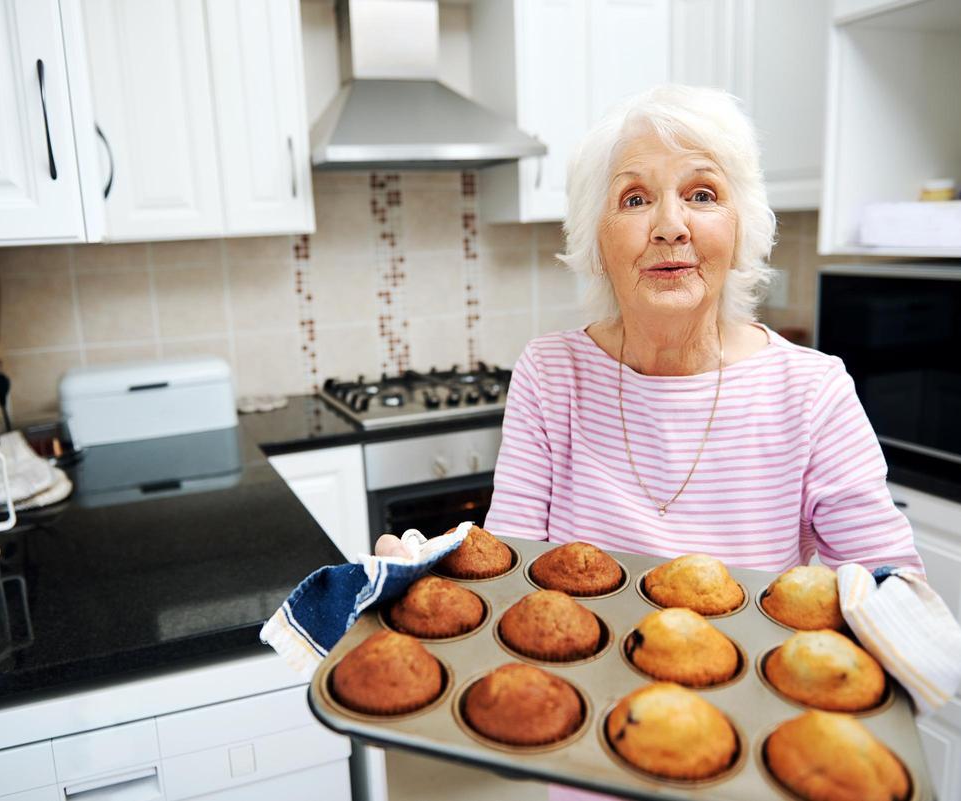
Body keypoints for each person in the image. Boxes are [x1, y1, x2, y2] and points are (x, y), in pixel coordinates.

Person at [377, 84, 923, 800]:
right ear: (596, 238)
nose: (670, 226)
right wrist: (427, 574)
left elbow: (897, 593)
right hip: (590, 759)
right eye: (635, 199)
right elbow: (508, 573)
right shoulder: (552, 373)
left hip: (753, 764)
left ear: (743, 226)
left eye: (702, 193)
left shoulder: (812, 389)